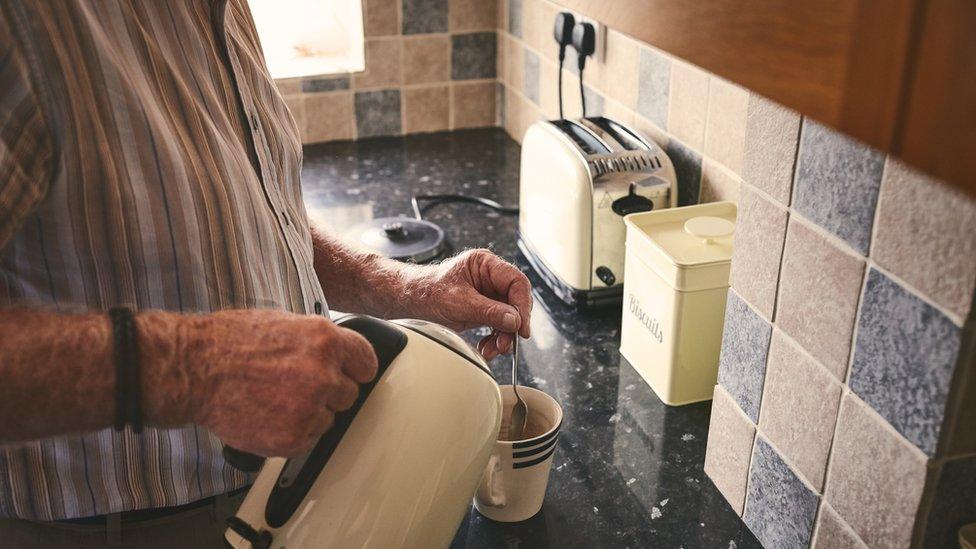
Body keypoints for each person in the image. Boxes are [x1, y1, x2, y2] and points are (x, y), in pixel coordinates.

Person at [0, 1, 531, 546]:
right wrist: (191, 368)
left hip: (273, 490)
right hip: (118, 527)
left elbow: (250, 208)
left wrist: (403, 285)